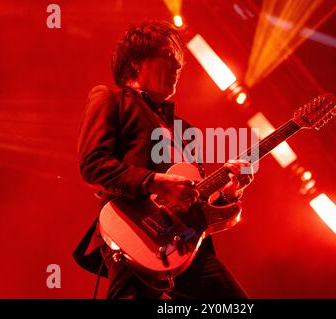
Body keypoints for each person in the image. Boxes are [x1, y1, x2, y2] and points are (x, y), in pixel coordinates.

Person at [74, 21, 254, 299]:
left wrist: (228, 192)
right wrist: (155, 182)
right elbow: (93, 164)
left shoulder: (185, 130)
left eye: (180, 62)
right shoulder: (110, 99)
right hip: (133, 233)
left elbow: (196, 197)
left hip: (186, 245)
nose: (178, 67)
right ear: (136, 63)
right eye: (169, 56)